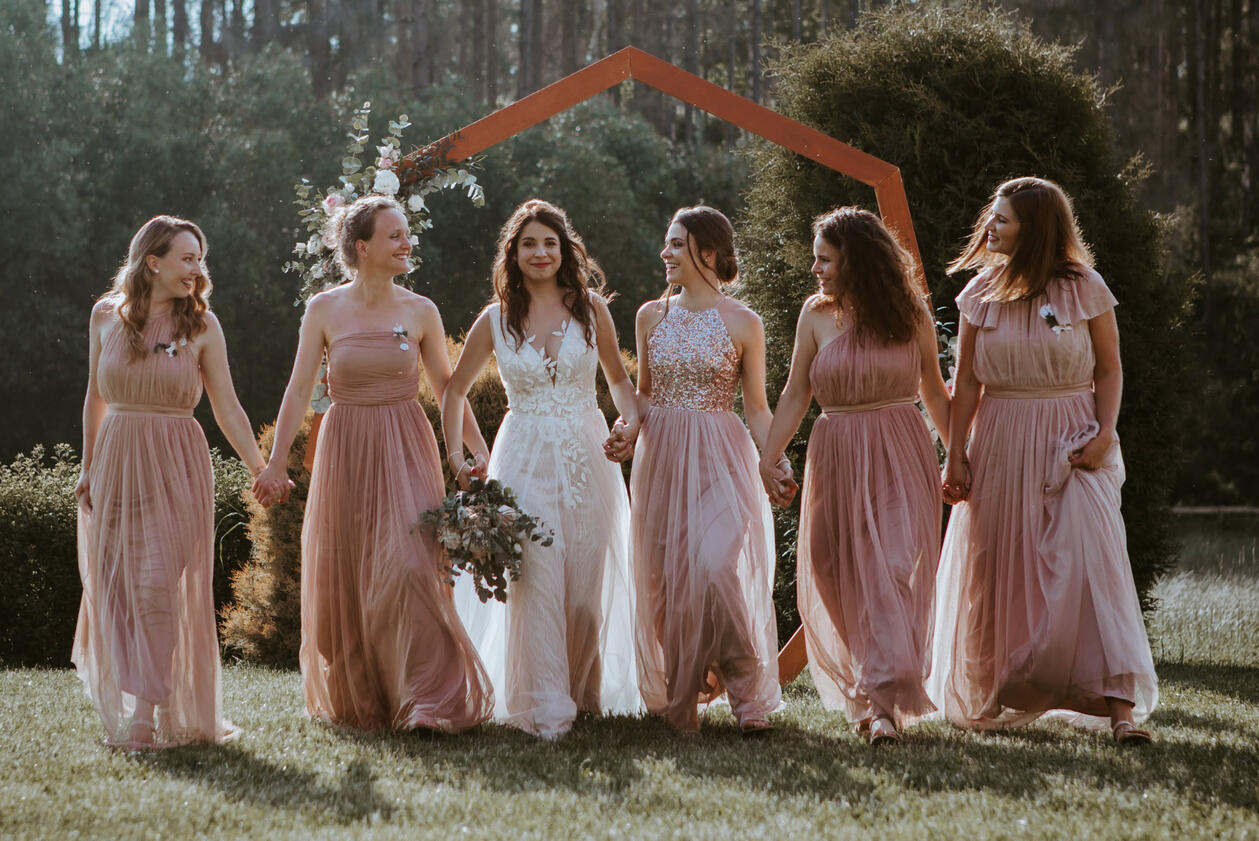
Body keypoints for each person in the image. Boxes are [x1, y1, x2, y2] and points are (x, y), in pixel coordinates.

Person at [930, 176, 1157, 744]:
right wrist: (955, 456)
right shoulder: (980, 293)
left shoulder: (1084, 287)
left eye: (1002, 218)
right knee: (998, 563)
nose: (990, 226)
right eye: (993, 215)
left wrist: (1105, 433)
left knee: (1092, 562)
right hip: (1001, 440)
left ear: (1035, 228)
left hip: (1072, 440)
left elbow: (1110, 367)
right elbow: (968, 384)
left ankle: (1120, 710)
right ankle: (997, 691)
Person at [254, 195, 493, 731]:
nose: (408, 243)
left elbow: (448, 389)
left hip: (405, 445)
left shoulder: (421, 310)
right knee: (350, 577)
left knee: (411, 568)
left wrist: (477, 452)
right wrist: (275, 462)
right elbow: (298, 390)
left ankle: (426, 700)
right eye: (395, 235)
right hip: (346, 448)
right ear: (362, 247)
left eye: (407, 233)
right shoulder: (324, 310)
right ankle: (370, 696)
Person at [441, 199, 642, 739]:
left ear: (564, 249)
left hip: (588, 455)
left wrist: (629, 426)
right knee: (537, 577)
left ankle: (583, 692)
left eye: (549, 242)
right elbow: (454, 391)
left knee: (585, 589)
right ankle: (545, 703)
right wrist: (460, 459)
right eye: (528, 243)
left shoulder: (592, 309)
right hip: (522, 457)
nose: (540, 252)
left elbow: (619, 381)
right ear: (513, 253)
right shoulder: (495, 319)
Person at [73, 215, 269, 749]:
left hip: (176, 465)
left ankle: (143, 716)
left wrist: (260, 468)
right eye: (187, 258)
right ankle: (150, 696)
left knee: (156, 585)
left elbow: (227, 407)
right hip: (117, 462)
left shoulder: (202, 326)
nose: (196, 269)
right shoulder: (105, 316)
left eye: (199, 259)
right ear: (153, 262)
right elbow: (95, 397)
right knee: (119, 589)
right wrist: (88, 467)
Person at [757, 208, 950, 744]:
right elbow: (797, 392)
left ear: (856, 260)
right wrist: (769, 457)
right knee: (832, 570)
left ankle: (882, 702)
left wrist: (958, 456)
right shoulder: (815, 314)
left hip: (899, 449)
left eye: (825, 259)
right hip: (837, 452)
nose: (814, 268)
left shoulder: (909, 312)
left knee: (892, 564)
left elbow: (934, 391)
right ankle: (874, 684)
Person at [613, 205, 781, 734]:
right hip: (662, 459)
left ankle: (746, 691)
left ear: (708, 253)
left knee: (714, 567)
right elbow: (643, 394)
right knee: (667, 586)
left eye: (675, 244)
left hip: (720, 459)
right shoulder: (650, 316)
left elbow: (757, 408)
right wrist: (627, 428)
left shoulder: (744, 322)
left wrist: (775, 459)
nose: (664, 252)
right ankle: (682, 692)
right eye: (666, 243)